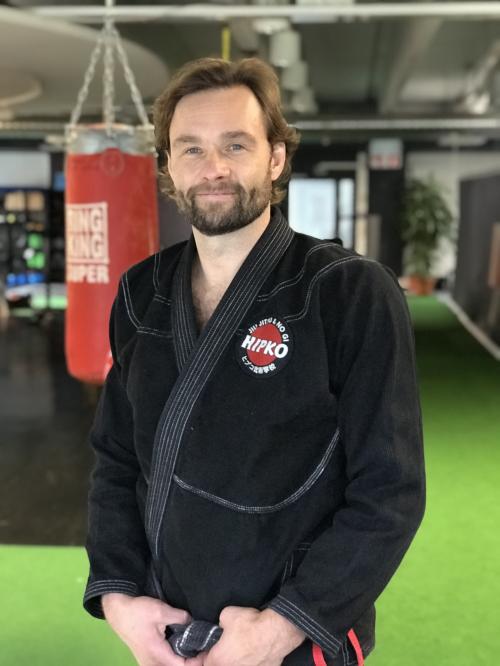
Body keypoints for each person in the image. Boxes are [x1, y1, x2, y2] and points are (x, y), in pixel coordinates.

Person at [83, 57, 425, 666]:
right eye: (191, 148)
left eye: (235, 145)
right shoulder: (140, 292)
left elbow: (390, 491)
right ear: (168, 166)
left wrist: (281, 628)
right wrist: (119, 598)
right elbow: (116, 460)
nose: (213, 167)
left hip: (291, 633)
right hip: (171, 631)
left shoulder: (347, 292)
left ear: (275, 158)